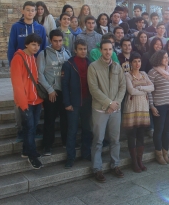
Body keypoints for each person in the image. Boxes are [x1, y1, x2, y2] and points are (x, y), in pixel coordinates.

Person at [87, 39, 126, 182]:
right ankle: (97, 169)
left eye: (110, 49)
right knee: (98, 140)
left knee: (115, 139)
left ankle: (115, 165)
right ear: (100, 50)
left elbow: (122, 86)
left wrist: (116, 103)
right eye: (105, 49)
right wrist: (109, 103)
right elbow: (93, 89)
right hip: (100, 110)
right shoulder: (93, 67)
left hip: (115, 110)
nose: (108, 52)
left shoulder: (117, 67)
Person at [8, 1, 47, 142]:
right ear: (23, 11)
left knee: (35, 97)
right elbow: (11, 47)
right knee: (20, 97)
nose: (31, 12)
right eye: (28, 10)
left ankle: (33, 127)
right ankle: (20, 129)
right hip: (21, 66)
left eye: (33, 10)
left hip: (36, 68)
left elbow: (43, 49)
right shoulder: (16, 27)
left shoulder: (40, 28)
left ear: (36, 12)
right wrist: (12, 66)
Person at [10, 33, 44, 169]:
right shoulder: (18, 59)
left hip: (36, 100)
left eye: (38, 45)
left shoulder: (33, 57)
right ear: (26, 44)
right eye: (33, 44)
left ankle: (26, 150)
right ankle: (32, 156)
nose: (36, 47)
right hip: (26, 102)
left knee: (32, 127)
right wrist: (23, 104)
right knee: (29, 128)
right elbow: (17, 84)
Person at [37, 29, 71, 155]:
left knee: (65, 119)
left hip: (64, 91)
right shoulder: (43, 54)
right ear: (50, 41)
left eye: (60, 41)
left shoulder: (67, 53)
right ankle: (47, 146)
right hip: (52, 92)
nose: (58, 43)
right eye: (55, 41)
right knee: (50, 119)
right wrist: (50, 90)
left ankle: (66, 142)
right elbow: (39, 74)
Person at [61, 39, 92, 168]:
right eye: (80, 49)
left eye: (85, 49)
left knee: (87, 129)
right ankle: (70, 157)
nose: (83, 51)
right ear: (75, 50)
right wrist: (67, 103)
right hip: (73, 103)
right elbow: (64, 85)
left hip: (87, 102)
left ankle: (86, 153)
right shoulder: (68, 64)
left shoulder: (90, 63)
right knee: (72, 130)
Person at [123, 52, 154, 172]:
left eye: (139, 61)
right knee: (132, 134)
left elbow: (152, 87)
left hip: (143, 107)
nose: (137, 64)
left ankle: (140, 160)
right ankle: (134, 162)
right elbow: (131, 91)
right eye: (135, 61)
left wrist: (140, 88)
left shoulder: (144, 74)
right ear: (131, 63)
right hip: (131, 107)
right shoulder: (127, 75)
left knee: (141, 134)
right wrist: (144, 90)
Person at [148, 50, 169, 165]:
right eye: (164, 57)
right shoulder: (152, 72)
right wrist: (152, 106)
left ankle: (165, 152)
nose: (166, 59)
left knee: (167, 131)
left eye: (167, 57)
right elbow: (149, 91)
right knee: (159, 131)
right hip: (159, 105)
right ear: (158, 58)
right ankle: (158, 153)